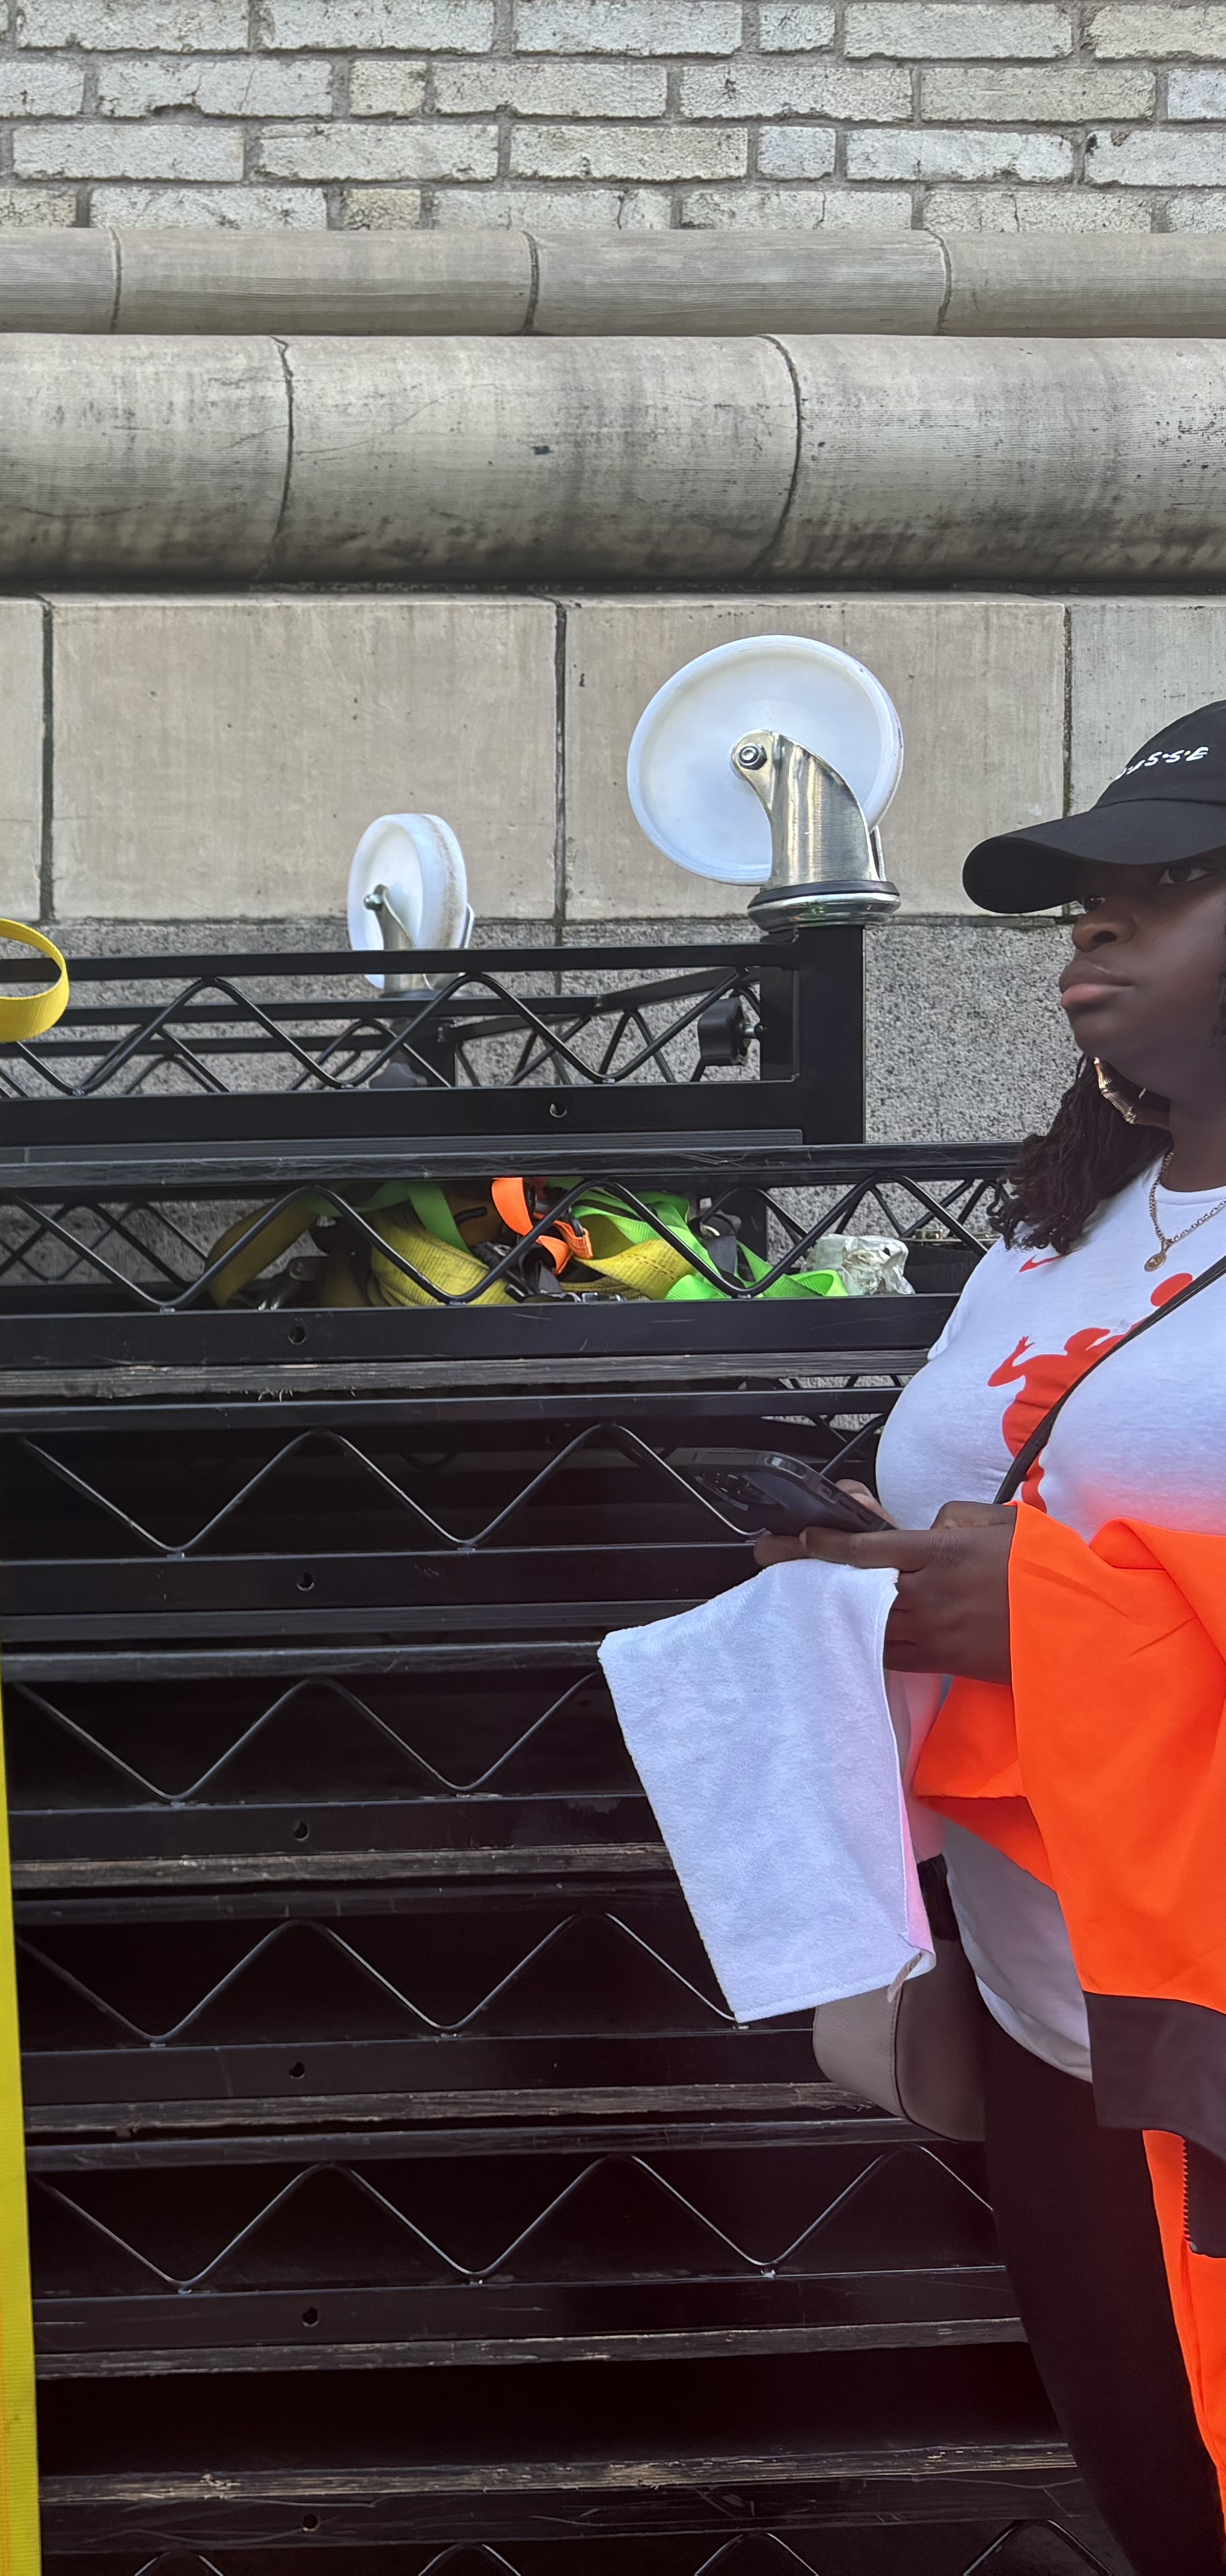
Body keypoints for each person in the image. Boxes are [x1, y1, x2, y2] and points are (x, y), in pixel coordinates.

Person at [764, 701, 1226, 2572]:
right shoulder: (1063, 1220)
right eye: (1084, 900)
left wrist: (1060, 1622)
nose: (1093, 932)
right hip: (1067, 2005)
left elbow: (1085, 1581)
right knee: (1157, 2491)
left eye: (1168, 887)